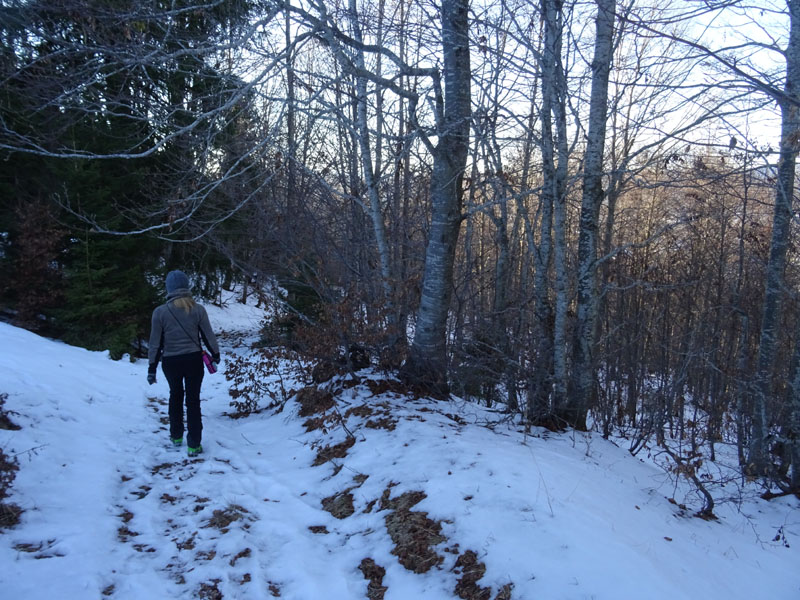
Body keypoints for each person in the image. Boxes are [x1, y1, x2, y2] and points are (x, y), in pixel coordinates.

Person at [147, 270, 220, 457]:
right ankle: (194, 444)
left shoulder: (160, 312)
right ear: (186, 286)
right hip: (194, 360)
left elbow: (155, 342)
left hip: (171, 362)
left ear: (169, 288)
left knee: (175, 396)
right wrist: (215, 354)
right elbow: (208, 335)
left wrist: (152, 368)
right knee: (193, 401)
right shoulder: (197, 309)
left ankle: (176, 436)